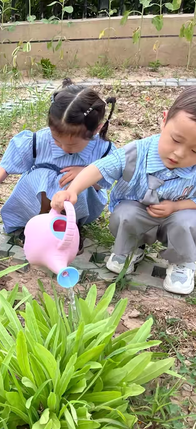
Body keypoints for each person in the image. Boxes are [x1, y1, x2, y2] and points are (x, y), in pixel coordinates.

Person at [52, 87, 196, 295]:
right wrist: (72, 190)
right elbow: (99, 168)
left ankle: (183, 261)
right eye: (175, 139)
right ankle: (130, 248)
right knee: (124, 214)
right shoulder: (137, 152)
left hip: (176, 218)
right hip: (138, 212)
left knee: (189, 222)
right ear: (164, 121)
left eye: (195, 150)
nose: (180, 154)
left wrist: (177, 206)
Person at [0, 79, 116, 250]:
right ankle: (39, 221)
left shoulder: (103, 149)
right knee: (43, 174)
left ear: (96, 130)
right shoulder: (39, 140)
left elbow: (104, 182)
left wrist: (87, 173)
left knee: (74, 181)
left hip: (78, 204)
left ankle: (69, 225)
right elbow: (7, 164)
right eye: (57, 141)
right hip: (38, 198)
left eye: (72, 145)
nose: (64, 148)